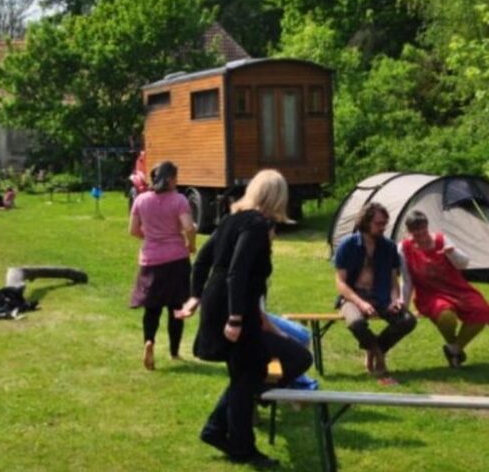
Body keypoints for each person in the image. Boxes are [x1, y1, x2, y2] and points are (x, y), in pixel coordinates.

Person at [178, 170, 306, 469]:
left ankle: (219, 431)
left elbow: (202, 261)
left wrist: (197, 296)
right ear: (277, 196)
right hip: (234, 310)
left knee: (245, 376)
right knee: (289, 360)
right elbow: (237, 271)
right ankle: (241, 446)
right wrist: (235, 318)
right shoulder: (258, 224)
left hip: (220, 304)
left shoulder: (231, 219)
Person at [399, 209, 489, 369]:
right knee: (446, 316)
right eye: (415, 231)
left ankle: (454, 349)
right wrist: (404, 305)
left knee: (482, 310)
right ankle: (455, 347)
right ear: (409, 231)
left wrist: (453, 253)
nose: (420, 234)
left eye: (422, 229)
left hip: (457, 289)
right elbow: (407, 280)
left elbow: (464, 264)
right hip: (429, 294)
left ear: (427, 226)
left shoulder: (442, 239)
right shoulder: (403, 248)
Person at [334, 202, 417, 382]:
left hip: (381, 296)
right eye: (379, 224)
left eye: (384, 224)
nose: (383, 228)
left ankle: (375, 348)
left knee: (408, 320)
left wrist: (395, 300)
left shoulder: (388, 246)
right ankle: (378, 353)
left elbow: (393, 280)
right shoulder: (347, 245)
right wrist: (360, 303)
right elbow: (340, 283)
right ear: (366, 222)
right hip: (352, 296)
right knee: (356, 323)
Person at [128, 161, 196, 370]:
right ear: (171, 179)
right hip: (176, 259)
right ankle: (174, 352)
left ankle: (149, 341)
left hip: (150, 260)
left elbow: (133, 230)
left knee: (152, 308)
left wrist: (150, 238)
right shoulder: (179, 200)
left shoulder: (141, 200)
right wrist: (190, 245)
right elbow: (188, 227)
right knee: (177, 308)